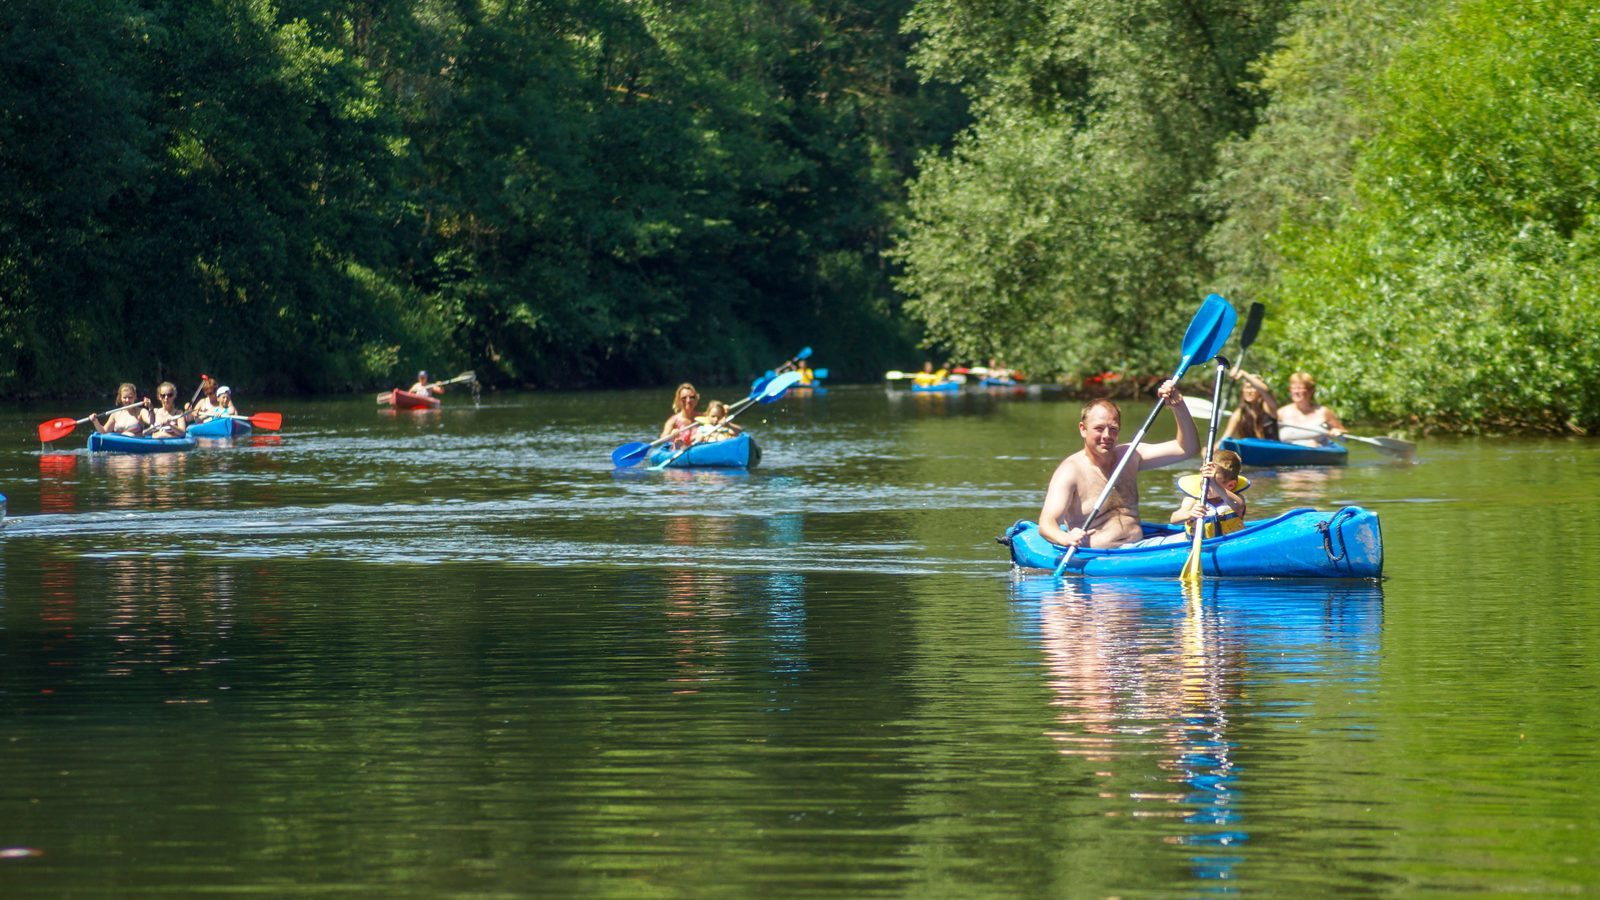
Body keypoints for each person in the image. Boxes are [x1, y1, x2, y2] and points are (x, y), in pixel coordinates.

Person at [1037, 380, 1200, 550]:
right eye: (1099, 428)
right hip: (1096, 555)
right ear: (1083, 429)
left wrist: (1178, 405)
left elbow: (1187, 448)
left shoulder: (1130, 455)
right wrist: (1065, 538)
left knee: (1201, 537)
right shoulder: (1070, 470)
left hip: (1140, 547)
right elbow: (1047, 523)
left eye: (1113, 429)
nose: (1107, 435)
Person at [1169, 450, 1250, 538]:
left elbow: (1239, 506)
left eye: (1211, 482)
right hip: (1200, 545)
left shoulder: (1235, 499)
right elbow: (1174, 519)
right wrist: (1190, 514)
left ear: (1230, 485)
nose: (1205, 484)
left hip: (1231, 543)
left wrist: (1214, 483)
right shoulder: (1192, 500)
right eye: (1204, 478)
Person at [1277, 371, 1346, 446]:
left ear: (1311, 390)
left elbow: (1343, 433)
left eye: (1300, 388)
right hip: (1287, 452)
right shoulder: (1281, 413)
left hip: (1316, 452)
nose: (1296, 391)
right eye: (1293, 388)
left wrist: (1337, 431)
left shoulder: (1323, 412)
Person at [1222, 370, 1279, 440]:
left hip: (1271, 449)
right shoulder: (1239, 414)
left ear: (1260, 391)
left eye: (1253, 387)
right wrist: (1211, 448)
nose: (1249, 391)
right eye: (1247, 387)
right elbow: (1225, 438)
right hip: (1249, 450)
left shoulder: (1269, 409)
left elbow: (1265, 391)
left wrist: (1243, 373)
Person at [660, 383, 701, 448]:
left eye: (692, 397)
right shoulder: (673, 421)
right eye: (684, 398)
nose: (688, 400)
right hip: (680, 451)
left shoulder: (703, 417)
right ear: (678, 400)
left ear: (696, 399)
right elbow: (663, 438)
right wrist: (671, 434)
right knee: (678, 442)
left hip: (699, 449)